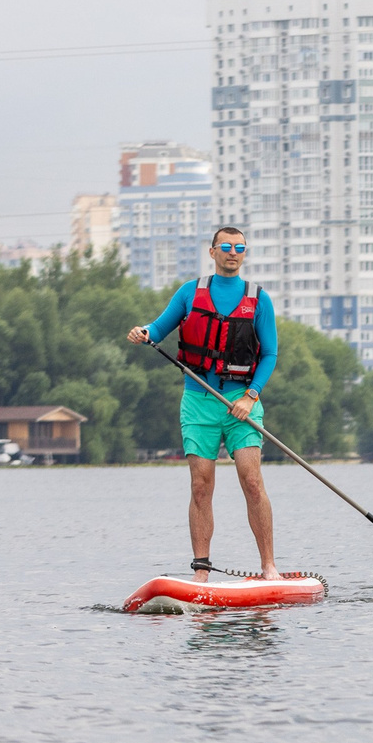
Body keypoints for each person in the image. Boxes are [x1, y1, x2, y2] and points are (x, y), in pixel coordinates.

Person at [126, 225, 283, 578]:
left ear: (245, 254)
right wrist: (143, 332)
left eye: (239, 247)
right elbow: (158, 327)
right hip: (199, 402)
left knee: (252, 481)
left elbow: (270, 354)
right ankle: (201, 570)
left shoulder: (259, 299)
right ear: (212, 252)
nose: (233, 252)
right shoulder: (189, 292)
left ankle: (269, 566)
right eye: (225, 246)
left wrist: (250, 395)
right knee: (201, 484)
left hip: (242, 401)